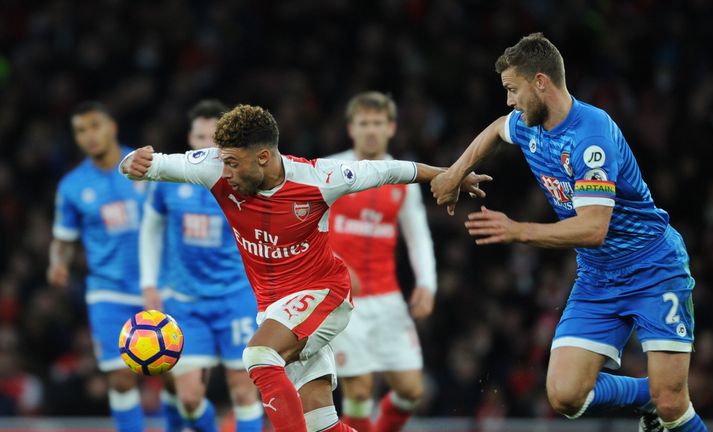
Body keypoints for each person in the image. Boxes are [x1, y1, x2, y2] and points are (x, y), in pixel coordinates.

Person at [120, 104, 489, 432]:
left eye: (233, 162)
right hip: (275, 309)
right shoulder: (214, 167)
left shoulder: (316, 179)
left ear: (263, 157)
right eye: (224, 161)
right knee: (319, 422)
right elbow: (156, 164)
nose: (226, 170)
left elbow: (385, 170)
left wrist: (451, 174)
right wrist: (132, 163)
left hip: (323, 294)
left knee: (258, 355)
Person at [430, 33, 707, 432]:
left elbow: (594, 228)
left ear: (540, 82)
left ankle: (661, 398)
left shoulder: (590, 137)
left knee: (672, 404)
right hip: (598, 276)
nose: (509, 101)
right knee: (565, 395)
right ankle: (648, 395)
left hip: (653, 268)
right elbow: (495, 129)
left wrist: (519, 231)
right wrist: (455, 172)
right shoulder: (531, 125)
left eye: (512, 90)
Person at [139, 100, 263, 431]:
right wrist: (149, 283)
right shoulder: (168, 182)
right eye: (199, 136)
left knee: (244, 391)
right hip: (185, 302)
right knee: (190, 399)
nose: (206, 144)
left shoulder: (245, 182)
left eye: (213, 137)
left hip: (236, 298)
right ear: (189, 139)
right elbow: (150, 230)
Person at [326, 92, 436, 432]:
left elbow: (418, 237)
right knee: (359, 390)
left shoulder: (404, 177)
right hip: (344, 300)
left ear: (390, 128)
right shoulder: (330, 170)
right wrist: (332, 263)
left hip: (388, 298)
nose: (371, 131)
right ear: (351, 129)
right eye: (364, 124)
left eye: (377, 123)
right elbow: (306, 228)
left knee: (411, 390)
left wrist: (427, 285)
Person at [48, 101, 153, 432]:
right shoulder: (73, 186)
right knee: (121, 379)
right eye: (81, 130)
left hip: (158, 286)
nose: (89, 136)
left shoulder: (147, 166)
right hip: (109, 291)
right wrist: (57, 264)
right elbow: (63, 239)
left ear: (112, 127)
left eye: (95, 126)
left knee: (181, 381)